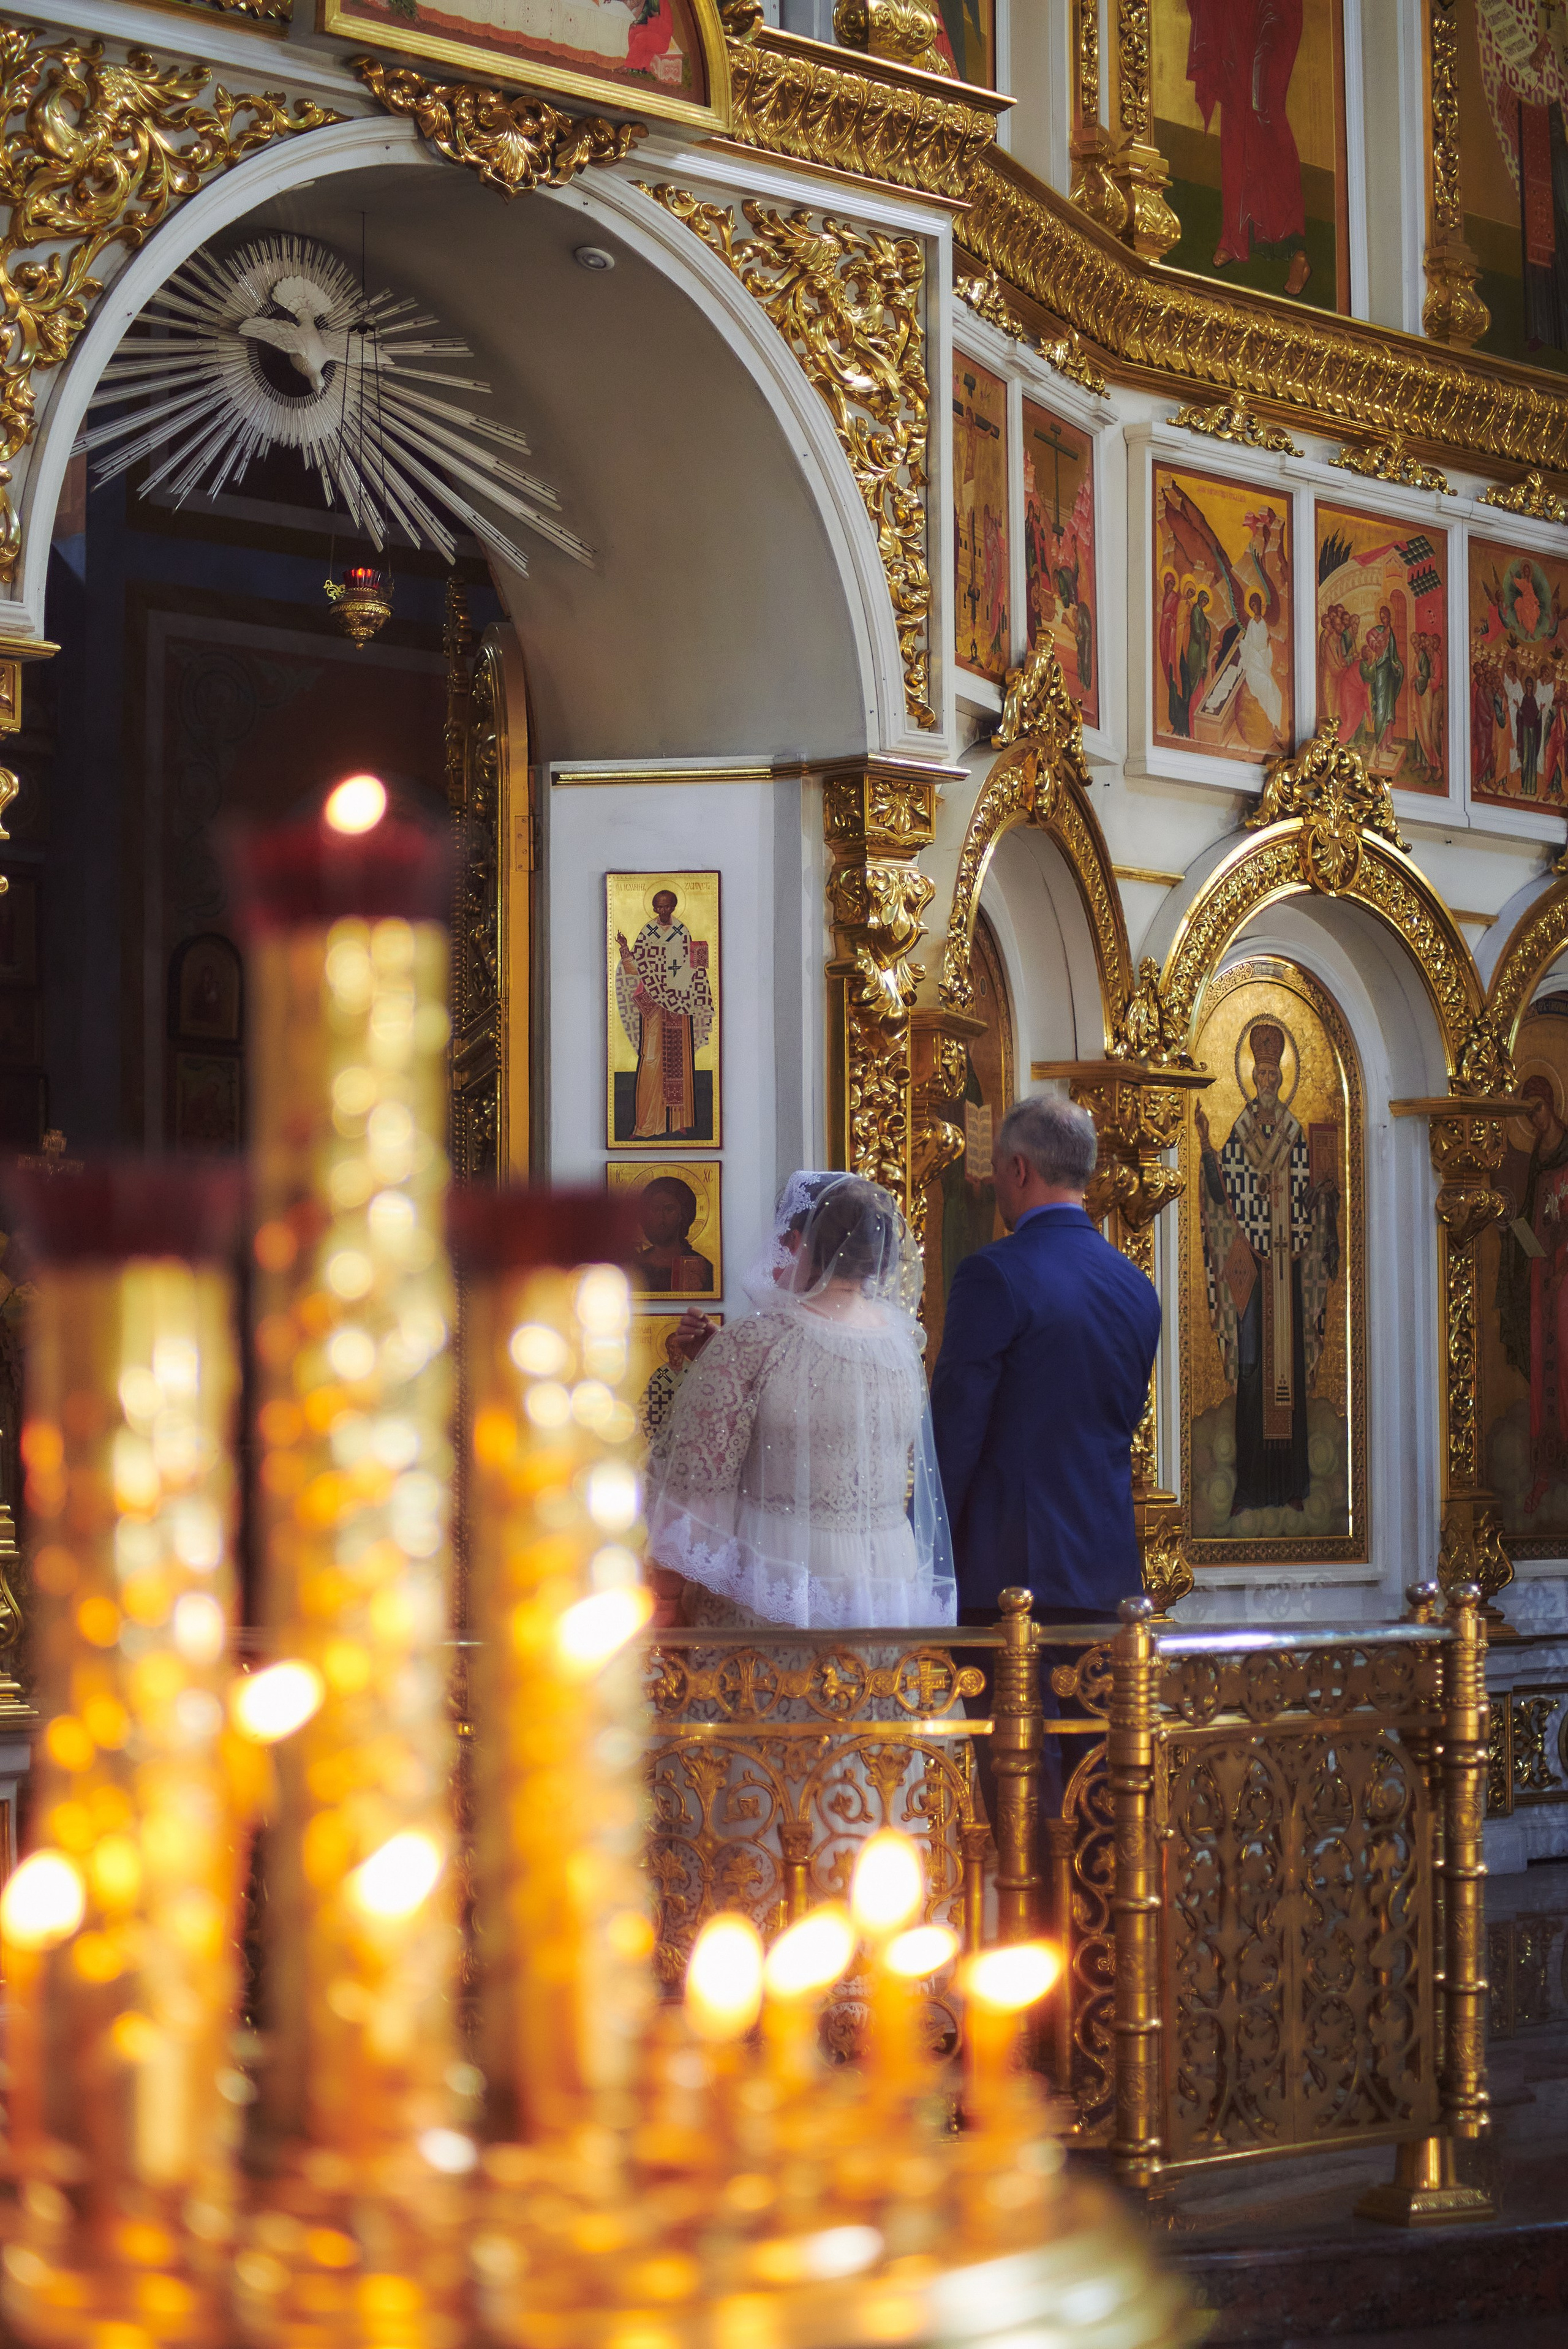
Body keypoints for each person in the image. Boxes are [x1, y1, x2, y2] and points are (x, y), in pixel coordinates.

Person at [930, 1095, 1160, 1826]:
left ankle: (1035, 1936)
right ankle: (1101, 1939)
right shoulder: (1135, 1287)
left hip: (1007, 1575)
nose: (996, 1187)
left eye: (998, 1173)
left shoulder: (992, 1274)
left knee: (1017, 1781)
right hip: (1103, 1571)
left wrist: (927, 1554)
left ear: (1019, 1169)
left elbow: (956, 1432)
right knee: (1097, 1779)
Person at [644, 1172, 954, 1629]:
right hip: (885, 1583)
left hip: (778, 1578)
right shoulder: (901, 1344)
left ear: (793, 1240)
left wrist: (665, 1598)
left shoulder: (757, 1341)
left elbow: (697, 1483)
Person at [1195, 1019, 1339, 1517]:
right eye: (1260, 1072)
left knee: (1291, 1373)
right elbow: (1223, 1188)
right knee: (1254, 1367)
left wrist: (1322, 1195)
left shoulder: (1297, 1132)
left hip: (1290, 1264)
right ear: (1253, 1077)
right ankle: (1250, 1488)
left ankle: (1294, 1482)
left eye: (1274, 1072)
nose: (1268, 1080)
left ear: (1282, 1075)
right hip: (1255, 1268)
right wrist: (1208, 1153)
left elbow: (1313, 1187)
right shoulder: (1240, 1129)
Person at [615, 889, 714, 1141]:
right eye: (659, 907)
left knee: (677, 1063)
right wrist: (626, 949)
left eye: (668, 906)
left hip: (678, 1006)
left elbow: (696, 965)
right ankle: (646, 1123)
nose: (664, 911)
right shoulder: (648, 932)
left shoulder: (683, 931)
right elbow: (636, 967)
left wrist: (698, 964)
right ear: (654, 907)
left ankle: (678, 1121)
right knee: (651, 1059)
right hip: (655, 1005)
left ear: (674, 906)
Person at [631, 1174, 713, 1295]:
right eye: (655, 1209)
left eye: (669, 1209)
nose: (661, 1218)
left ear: (682, 1215)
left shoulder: (700, 1266)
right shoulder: (636, 1265)